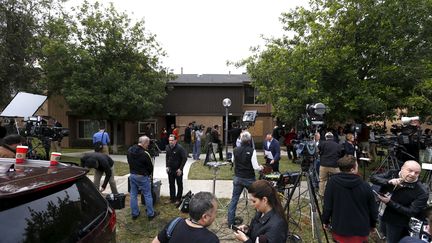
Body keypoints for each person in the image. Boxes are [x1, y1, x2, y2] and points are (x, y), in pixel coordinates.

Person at [322, 155, 378, 243]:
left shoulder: (332, 182)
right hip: (360, 230)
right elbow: (373, 209)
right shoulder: (365, 186)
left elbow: (327, 205)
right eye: (357, 166)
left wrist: (325, 220)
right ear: (352, 169)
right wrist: (373, 224)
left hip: (340, 228)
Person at [370, 160, 428, 243]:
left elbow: (411, 212)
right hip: (382, 212)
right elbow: (373, 178)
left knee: (392, 240)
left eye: (417, 173)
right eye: (410, 170)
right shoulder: (393, 173)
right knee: (383, 232)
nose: (413, 174)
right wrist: (388, 182)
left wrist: (389, 202)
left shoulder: (421, 191)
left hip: (397, 221)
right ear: (402, 168)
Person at [152, 191, 219, 243]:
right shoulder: (211, 240)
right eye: (215, 212)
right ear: (205, 217)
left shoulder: (175, 223)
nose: (216, 215)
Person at [227, 131, 263, 226]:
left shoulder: (235, 150)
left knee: (234, 199)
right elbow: (255, 167)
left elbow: (232, 161)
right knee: (257, 197)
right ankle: (258, 220)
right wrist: (261, 167)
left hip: (238, 178)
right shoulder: (252, 151)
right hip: (249, 179)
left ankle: (230, 222)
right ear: (250, 140)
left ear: (240, 140)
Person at [127, 135, 158, 220]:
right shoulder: (145, 153)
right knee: (147, 195)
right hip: (142, 176)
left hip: (132, 175)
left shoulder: (130, 150)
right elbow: (150, 167)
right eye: (147, 144)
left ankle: (135, 213)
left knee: (133, 195)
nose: (148, 146)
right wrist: (147, 174)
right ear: (144, 143)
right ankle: (150, 214)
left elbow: (129, 161)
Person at [318, 132, 342, 196]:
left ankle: (321, 194)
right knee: (338, 180)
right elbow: (340, 154)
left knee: (322, 180)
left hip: (323, 165)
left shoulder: (322, 144)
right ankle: (337, 193)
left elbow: (318, 152)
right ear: (332, 137)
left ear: (326, 137)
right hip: (334, 166)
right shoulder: (337, 145)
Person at [166, 134, 187, 204]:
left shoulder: (180, 148)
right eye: (169, 140)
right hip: (170, 170)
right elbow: (167, 157)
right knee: (171, 184)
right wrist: (167, 166)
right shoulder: (168, 147)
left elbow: (184, 158)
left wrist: (180, 169)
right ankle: (172, 198)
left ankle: (178, 199)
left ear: (175, 141)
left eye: (172, 140)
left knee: (179, 184)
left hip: (178, 170)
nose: (170, 142)